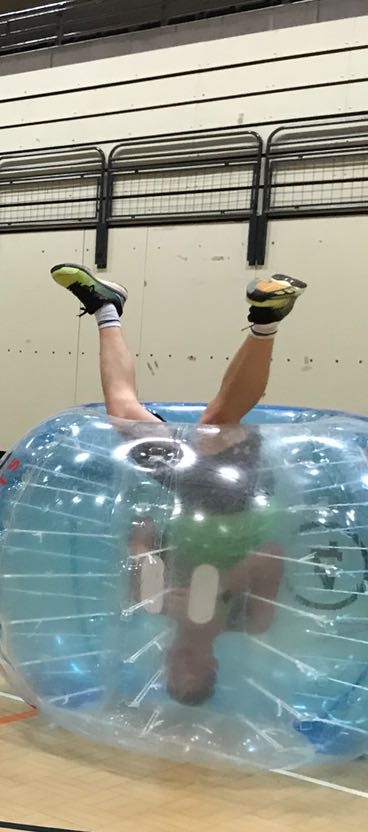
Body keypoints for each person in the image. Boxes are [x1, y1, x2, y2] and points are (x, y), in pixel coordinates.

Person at [52, 262, 305, 705]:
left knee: (122, 413)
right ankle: (266, 320)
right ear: (213, 668)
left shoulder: (156, 604)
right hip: (238, 495)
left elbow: (143, 531)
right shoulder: (247, 620)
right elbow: (272, 554)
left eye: (173, 673)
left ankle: (106, 308)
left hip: (189, 491)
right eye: (192, 673)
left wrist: (150, 574)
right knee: (215, 423)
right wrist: (220, 585)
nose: (180, 663)